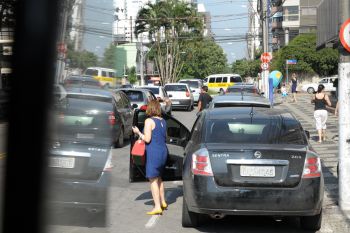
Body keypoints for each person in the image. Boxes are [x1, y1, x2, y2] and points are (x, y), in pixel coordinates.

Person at [132, 100, 168, 215]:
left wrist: (138, 132)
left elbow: (147, 139)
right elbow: (165, 137)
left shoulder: (149, 121)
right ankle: (163, 202)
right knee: (159, 178)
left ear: (150, 108)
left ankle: (157, 207)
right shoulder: (163, 121)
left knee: (152, 180)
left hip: (154, 153)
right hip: (163, 152)